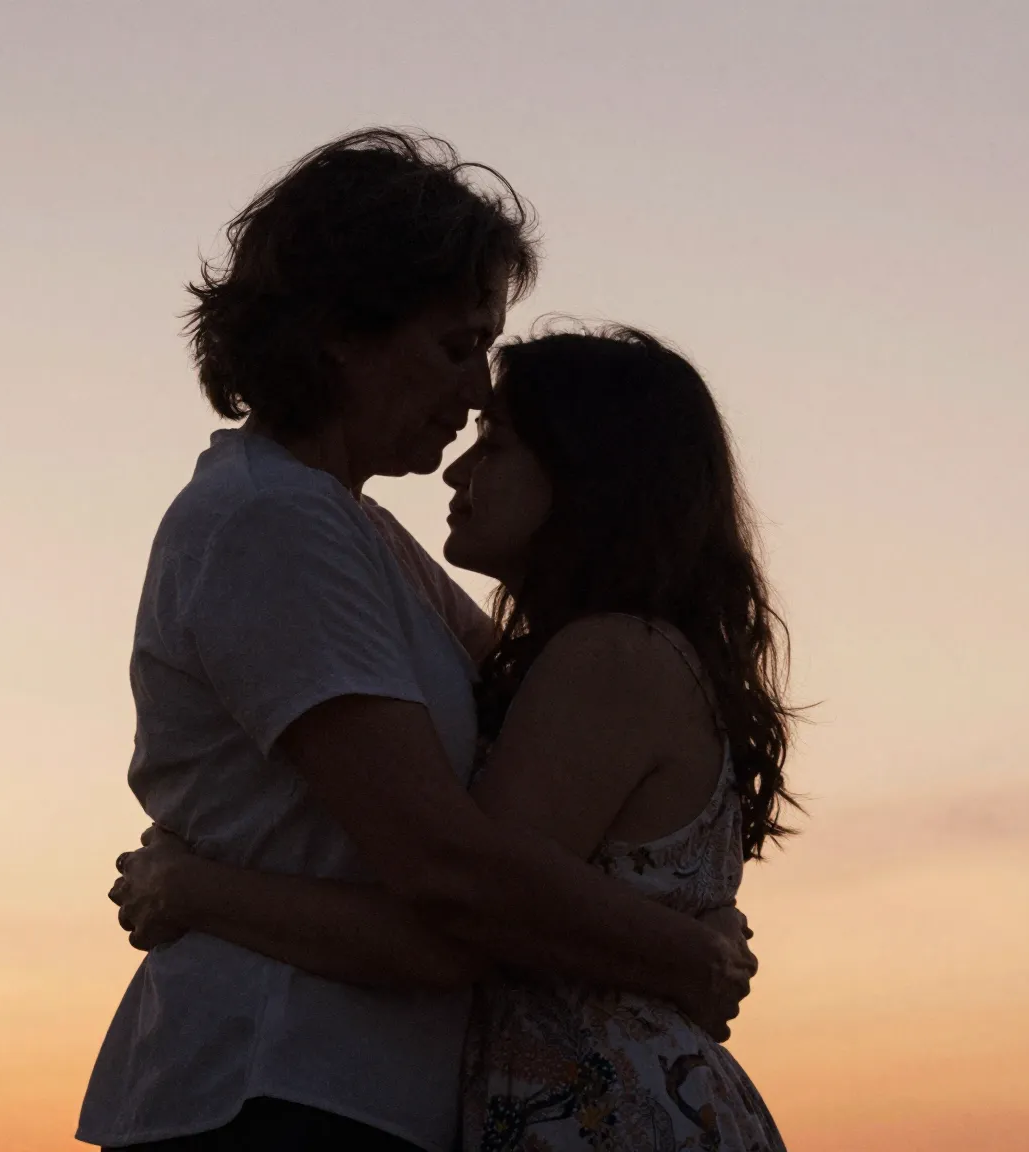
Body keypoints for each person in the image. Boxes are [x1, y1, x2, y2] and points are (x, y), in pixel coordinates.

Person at [75, 128, 757, 1152]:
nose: (477, 390)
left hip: (357, 1090)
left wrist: (677, 897)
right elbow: (445, 872)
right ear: (339, 335)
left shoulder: (356, 534)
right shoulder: (274, 522)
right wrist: (681, 953)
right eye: (454, 347)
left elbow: (543, 712)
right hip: (278, 1078)